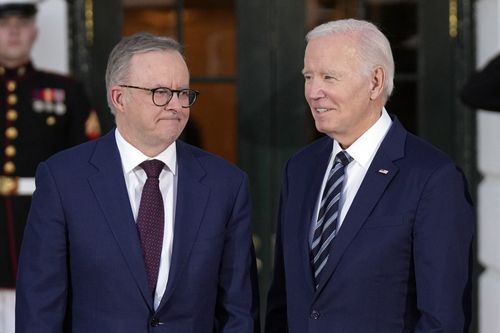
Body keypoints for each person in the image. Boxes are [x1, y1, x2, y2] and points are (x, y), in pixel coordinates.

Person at [15, 32, 259, 332]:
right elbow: (40, 308)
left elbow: (238, 310)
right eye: (160, 92)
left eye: (183, 93)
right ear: (120, 98)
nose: (177, 105)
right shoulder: (63, 179)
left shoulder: (227, 184)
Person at [265, 18, 474, 333]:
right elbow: (283, 299)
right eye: (308, 76)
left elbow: (442, 320)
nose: (313, 92)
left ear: (375, 82)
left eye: (329, 77)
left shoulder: (433, 178)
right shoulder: (300, 168)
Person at [0, 0, 99, 330]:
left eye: (21, 23)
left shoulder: (65, 90)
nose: (13, 31)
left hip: (40, 215)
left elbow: (86, 162)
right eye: (5, 23)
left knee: (41, 299)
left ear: (34, 32)